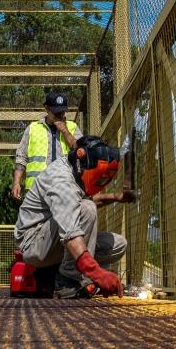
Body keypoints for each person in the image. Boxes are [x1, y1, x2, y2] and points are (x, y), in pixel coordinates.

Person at [14, 135, 134, 298]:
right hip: (33, 244)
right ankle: (67, 281)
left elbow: (80, 202)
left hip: (53, 240)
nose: (100, 183)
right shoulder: (61, 181)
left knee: (118, 244)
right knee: (87, 208)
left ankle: (60, 273)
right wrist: (97, 273)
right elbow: (71, 233)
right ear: (81, 157)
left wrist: (115, 197)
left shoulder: (76, 170)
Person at [11, 92, 82, 201]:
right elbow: (21, 158)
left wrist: (64, 130)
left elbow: (80, 151)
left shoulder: (72, 127)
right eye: (56, 112)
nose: (59, 115)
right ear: (46, 109)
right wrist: (16, 183)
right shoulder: (32, 129)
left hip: (64, 189)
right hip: (36, 190)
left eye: (62, 112)